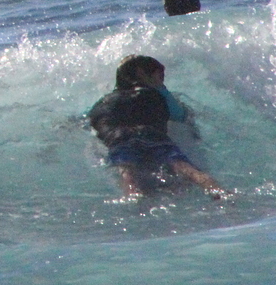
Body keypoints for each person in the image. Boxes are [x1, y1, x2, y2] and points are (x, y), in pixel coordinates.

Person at [87, 54, 224, 199]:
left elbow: (93, 119)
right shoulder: (156, 95)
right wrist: (163, 91)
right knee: (186, 168)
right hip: (152, 135)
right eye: (160, 77)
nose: (162, 81)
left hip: (120, 139)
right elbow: (180, 115)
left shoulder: (105, 100)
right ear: (142, 74)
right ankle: (218, 191)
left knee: (128, 174)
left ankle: (133, 196)